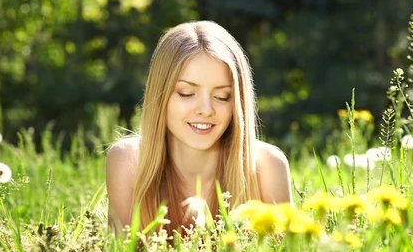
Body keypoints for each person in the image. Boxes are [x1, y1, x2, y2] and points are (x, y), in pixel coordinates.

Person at [105, 21, 292, 235]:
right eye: (186, 93)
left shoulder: (267, 166)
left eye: (223, 96)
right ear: (160, 94)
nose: (206, 109)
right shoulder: (127, 162)